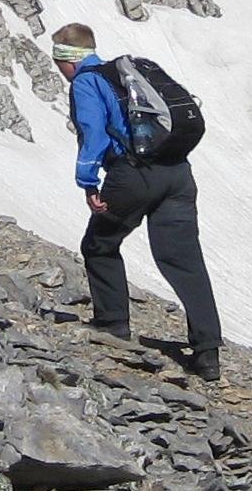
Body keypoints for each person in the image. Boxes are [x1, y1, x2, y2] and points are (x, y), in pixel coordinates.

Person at [53, 24, 220, 381]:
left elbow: (94, 134)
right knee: (183, 259)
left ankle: (113, 324)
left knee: (99, 244)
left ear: (67, 60)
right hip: (178, 173)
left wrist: (88, 182)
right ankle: (207, 354)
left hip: (134, 174)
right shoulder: (127, 72)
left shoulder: (86, 82)